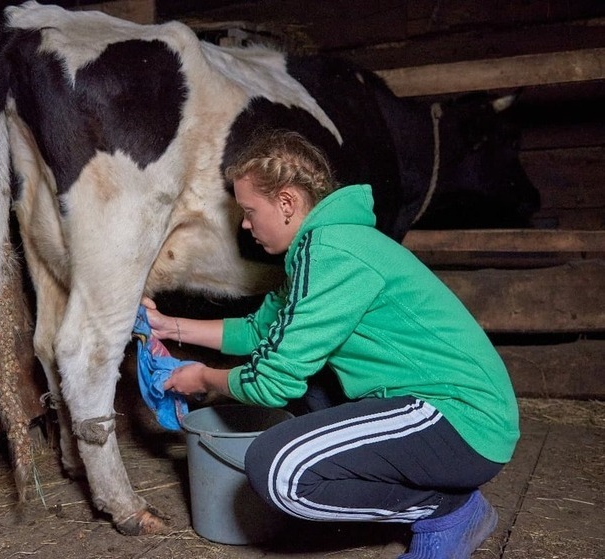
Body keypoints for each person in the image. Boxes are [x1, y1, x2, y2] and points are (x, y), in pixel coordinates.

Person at [143, 129, 519, 558]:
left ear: (286, 203)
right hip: (438, 412)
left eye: (249, 211)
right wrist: (169, 327)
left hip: (460, 418)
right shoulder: (317, 249)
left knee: (278, 469)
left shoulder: (333, 251)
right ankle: (442, 506)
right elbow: (260, 329)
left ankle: (447, 512)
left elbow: (274, 382)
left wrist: (204, 378)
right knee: (312, 408)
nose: (245, 225)